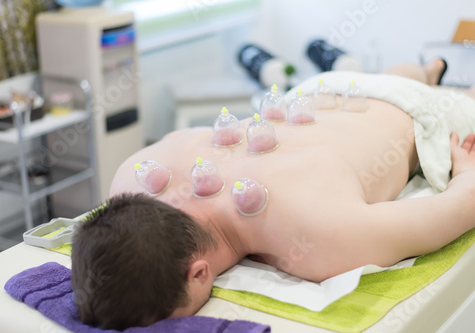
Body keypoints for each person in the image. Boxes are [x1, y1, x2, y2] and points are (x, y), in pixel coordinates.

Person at [71, 59, 475, 330]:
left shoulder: (318, 237)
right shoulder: (132, 177)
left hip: (419, 110)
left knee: (450, 94)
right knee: (397, 74)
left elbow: (462, 205)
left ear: (199, 274)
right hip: (313, 92)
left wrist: (465, 169)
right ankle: (430, 67)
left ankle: (431, 72)